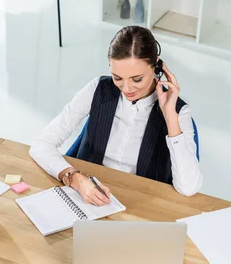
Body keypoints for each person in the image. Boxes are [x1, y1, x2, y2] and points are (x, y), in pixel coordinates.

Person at [30, 26, 202, 205]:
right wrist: (75, 179)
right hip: (85, 195)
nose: (127, 89)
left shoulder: (179, 112)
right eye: (117, 78)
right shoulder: (97, 89)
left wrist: (171, 119)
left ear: (156, 65)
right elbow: (41, 144)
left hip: (141, 203)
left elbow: (188, 187)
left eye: (137, 79)